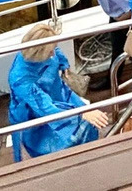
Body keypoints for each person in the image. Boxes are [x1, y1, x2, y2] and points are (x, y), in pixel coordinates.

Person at [7, 23, 106, 158]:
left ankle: (85, 151)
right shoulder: (20, 78)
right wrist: (80, 114)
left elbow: (56, 50)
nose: (53, 53)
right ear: (39, 52)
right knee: (60, 136)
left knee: (86, 124)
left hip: (57, 92)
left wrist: (64, 65)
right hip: (34, 109)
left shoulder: (42, 49)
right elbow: (44, 107)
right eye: (50, 51)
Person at [63, 0, 131, 66]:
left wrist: (118, 20)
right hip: (116, 12)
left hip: (124, 18)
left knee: (121, 52)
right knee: (117, 50)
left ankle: (115, 80)